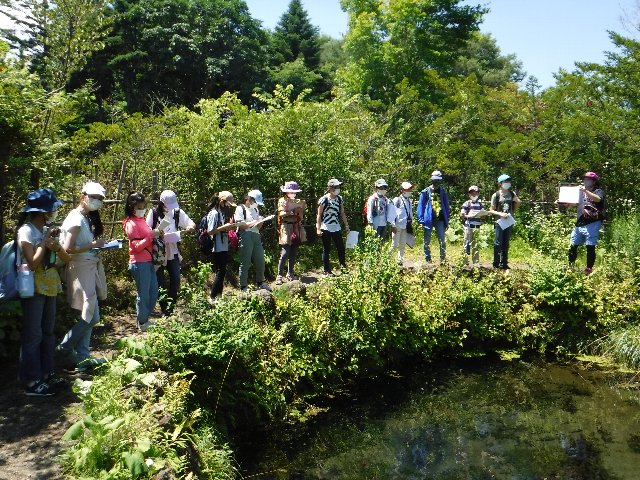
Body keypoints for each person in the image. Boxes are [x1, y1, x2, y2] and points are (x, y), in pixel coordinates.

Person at [17, 188, 70, 396]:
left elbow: (66, 259)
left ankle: (47, 374)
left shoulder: (47, 230)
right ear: (42, 212)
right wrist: (45, 241)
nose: (54, 212)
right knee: (34, 335)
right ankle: (31, 381)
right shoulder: (26, 231)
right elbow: (32, 263)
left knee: (48, 333)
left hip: (50, 286)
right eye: (52, 209)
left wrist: (56, 247)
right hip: (32, 288)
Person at [57, 182, 109, 371]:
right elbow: (68, 248)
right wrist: (94, 245)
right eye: (94, 197)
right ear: (83, 197)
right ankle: (65, 347)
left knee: (91, 313)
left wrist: (94, 246)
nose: (97, 201)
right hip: (80, 268)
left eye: (100, 199)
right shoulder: (75, 218)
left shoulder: (85, 217)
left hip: (87, 266)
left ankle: (82, 356)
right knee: (91, 316)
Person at [147, 190, 195, 316]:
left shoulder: (177, 212)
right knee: (159, 282)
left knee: (176, 279)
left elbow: (190, 223)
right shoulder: (153, 213)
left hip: (172, 251)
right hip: (158, 252)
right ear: (161, 203)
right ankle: (164, 309)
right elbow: (147, 231)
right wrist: (157, 232)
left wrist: (190, 227)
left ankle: (170, 307)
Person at [124, 192, 164, 331]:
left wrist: (156, 234)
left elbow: (148, 237)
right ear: (132, 207)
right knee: (144, 293)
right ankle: (142, 322)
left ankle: (144, 319)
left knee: (153, 292)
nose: (142, 209)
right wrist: (151, 236)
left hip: (149, 261)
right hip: (139, 263)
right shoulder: (130, 223)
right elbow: (136, 247)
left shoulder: (142, 221)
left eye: (143, 207)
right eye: (139, 207)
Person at [567, 171, 605, 274]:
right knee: (573, 245)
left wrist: (586, 191)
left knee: (590, 246)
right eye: (584, 179)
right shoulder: (580, 192)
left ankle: (588, 269)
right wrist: (563, 202)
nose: (585, 181)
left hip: (592, 223)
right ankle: (570, 267)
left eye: (588, 179)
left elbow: (598, 199)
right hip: (579, 222)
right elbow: (575, 204)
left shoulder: (598, 191)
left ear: (594, 181)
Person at [235, 190, 271, 292]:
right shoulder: (240, 208)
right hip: (245, 235)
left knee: (260, 260)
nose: (256, 204)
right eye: (255, 202)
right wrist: (255, 221)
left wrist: (261, 222)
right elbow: (241, 225)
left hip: (256, 235)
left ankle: (260, 282)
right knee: (245, 262)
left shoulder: (256, 209)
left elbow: (258, 227)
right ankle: (243, 286)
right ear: (249, 199)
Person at [205, 191, 237, 301]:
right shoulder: (214, 213)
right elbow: (210, 231)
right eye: (227, 203)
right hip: (216, 246)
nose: (228, 206)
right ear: (222, 201)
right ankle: (213, 297)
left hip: (222, 245)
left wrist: (228, 228)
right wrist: (224, 227)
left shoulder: (220, 212)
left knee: (222, 271)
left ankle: (219, 296)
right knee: (220, 271)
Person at [316, 178, 350, 276]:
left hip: (336, 227)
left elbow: (342, 213)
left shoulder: (339, 199)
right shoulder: (324, 199)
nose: (338, 188)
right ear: (331, 188)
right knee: (326, 249)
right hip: (325, 227)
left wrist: (346, 225)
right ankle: (326, 270)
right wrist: (318, 228)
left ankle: (343, 267)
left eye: (339, 186)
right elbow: (319, 214)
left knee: (341, 248)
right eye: (336, 187)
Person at [276, 181, 306, 285]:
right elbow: (281, 214)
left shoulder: (299, 202)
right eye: (291, 192)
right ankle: (279, 275)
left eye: (294, 192)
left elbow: (301, 216)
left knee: (294, 251)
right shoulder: (282, 201)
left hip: (296, 226)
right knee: (285, 252)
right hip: (286, 227)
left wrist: (299, 211)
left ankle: (290, 273)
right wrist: (292, 212)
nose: (293, 193)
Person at [417, 170, 450, 263]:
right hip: (428, 219)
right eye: (434, 180)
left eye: (437, 180)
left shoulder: (443, 191)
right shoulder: (425, 191)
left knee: (442, 241)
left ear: (440, 180)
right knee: (426, 240)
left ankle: (442, 260)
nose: (436, 182)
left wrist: (447, 220)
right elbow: (420, 206)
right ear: (431, 180)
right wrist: (421, 220)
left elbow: (446, 206)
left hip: (440, 219)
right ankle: (428, 259)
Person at [489, 174, 521, 270]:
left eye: (508, 181)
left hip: (508, 221)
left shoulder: (512, 193)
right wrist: (500, 214)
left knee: (506, 242)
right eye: (505, 182)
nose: (507, 183)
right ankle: (496, 263)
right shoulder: (496, 195)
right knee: (498, 242)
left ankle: (504, 263)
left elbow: (517, 204)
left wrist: (516, 203)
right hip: (499, 222)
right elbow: (491, 210)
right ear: (500, 183)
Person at [392, 181, 414, 266]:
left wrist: (411, 224)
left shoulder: (409, 201)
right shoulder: (396, 200)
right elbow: (391, 213)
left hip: (405, 226)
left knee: (402, 244)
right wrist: (393, 225)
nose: (409, 191)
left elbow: (410, 213)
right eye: (407, 189)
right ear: (402, 190)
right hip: (397, 225)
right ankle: (386, 260)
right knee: (394, 244)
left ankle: (400, 261)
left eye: (410, 189)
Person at [460, 185, 483, 266]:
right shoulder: (467, 203)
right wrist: (469, 216)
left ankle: (476, 262)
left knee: (475, 245)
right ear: (469, 194)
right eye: (472, 193)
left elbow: (483, 216)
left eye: (475, 192)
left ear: (478, 193)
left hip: (477, 227)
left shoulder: (480, 204)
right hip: (468, 226)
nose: (473, 194)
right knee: (466, 243)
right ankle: (464, 261)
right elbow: (462, 214)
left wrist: (482, 215)